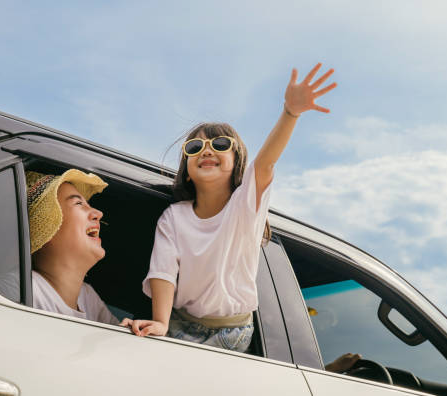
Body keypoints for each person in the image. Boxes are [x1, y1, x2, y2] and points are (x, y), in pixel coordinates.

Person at [121, 63, 336, 352]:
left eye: (220, 144)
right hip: (180, 322)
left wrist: (290, 113)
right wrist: (160, 322)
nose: (207, 149)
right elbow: (163, 273)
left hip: (232, 331)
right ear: (186, 170)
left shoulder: (244, 207)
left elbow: (266, 163)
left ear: (237, 164)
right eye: (195, 148)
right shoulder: (174, 217)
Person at [27, 169, 119, 325]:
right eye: (78, 203)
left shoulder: (88, 297)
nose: (98, 213)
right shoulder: (21, 288)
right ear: (49, 229)